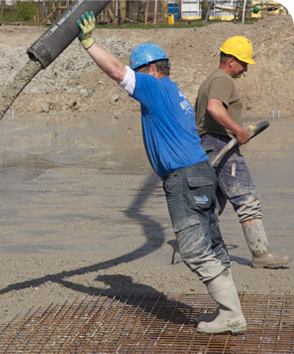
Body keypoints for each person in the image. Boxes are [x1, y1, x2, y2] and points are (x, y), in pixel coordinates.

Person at [76, 12, 246, 334]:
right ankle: (230, 312)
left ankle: (232, 315)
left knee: (195, 249)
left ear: (152, 70)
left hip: (184, 178)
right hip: (199, 175)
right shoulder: (174, 93)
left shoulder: (154, 88)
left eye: (139, 74)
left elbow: (115, 71)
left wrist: (89, 43)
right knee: (210, 245)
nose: (135, 84)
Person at [194, 36, 291, 269]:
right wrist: (238, 130)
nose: (246, 69)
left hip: (206, 145)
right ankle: (260, 254)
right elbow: (214, 107)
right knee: (247, 197)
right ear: (230, 61)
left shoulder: (209, 79)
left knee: (213, 203)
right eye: (244, 63)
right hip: (221, 145)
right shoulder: (222, 80)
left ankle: (200, 247)